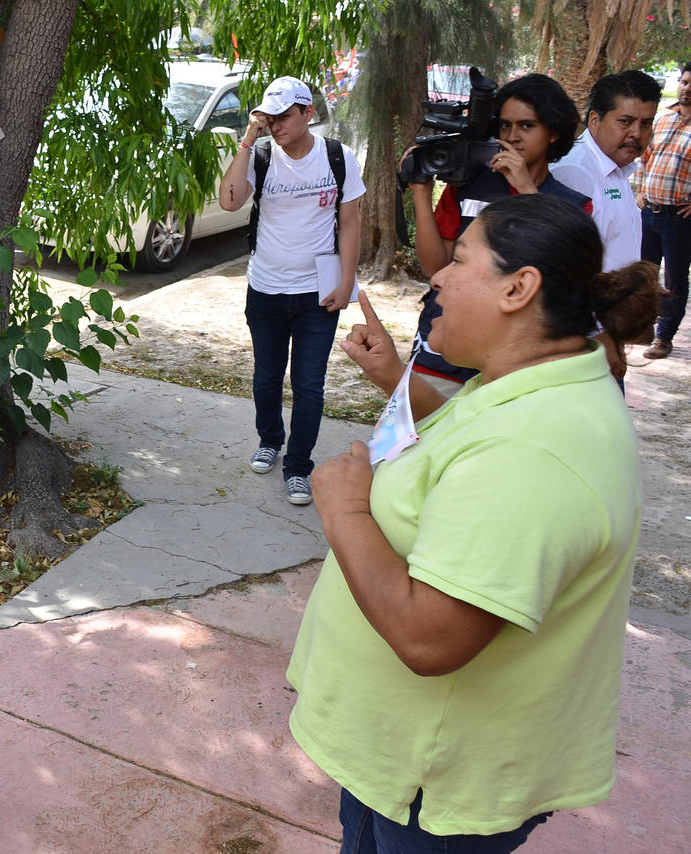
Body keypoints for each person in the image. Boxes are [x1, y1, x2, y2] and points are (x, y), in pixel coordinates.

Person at [288, 193, 659, 853]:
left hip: (428, 786)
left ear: (519, 287)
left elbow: (432, 640)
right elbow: (465, 439)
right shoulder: (538, 381)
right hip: (421, 769)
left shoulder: (535, 449)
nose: (438, 276)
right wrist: (397, 378)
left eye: (460, 259)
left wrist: (345, 508)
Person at [217, 75, 365, 505]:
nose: (276, 125)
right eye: (270, 117)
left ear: (308, 114)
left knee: (309, 384)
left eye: (284, 116)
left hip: (316, 294)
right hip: (265, 289)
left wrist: (347, 281)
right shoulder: (262, 156)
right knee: (266, 378)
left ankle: (299, 466)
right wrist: (249, 135)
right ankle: (270, 440)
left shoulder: (337, 157)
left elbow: (351, 221)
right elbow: (229, 200)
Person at [405, 73, 590, 393]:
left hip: (517, 366)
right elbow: (436, 269)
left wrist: (527, 192)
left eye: (526, 126)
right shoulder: (466, 187)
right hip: (445, 352)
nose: (513, 135)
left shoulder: (573, 208)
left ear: (554, 133)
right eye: (505, 125)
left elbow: (559, 283)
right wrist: (420, 192)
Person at [551, 70, 661, 273]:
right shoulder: (574, 172)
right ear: (594, 120)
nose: (636, 133)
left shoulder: (616, 166)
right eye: (625, 122)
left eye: (646, 123)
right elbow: (564, 268)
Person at [636, 60, 691, 360]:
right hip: (649, 212)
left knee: (674, 279)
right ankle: (642, 327)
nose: (687, 89)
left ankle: (664, 336)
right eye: (684, 82)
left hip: (679, 220)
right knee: (644, 271)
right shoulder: (663, 119)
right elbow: (645, 157)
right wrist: (641, 189)